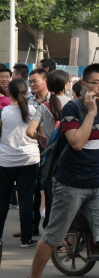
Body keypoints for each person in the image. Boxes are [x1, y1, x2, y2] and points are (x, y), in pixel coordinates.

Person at [29, 64, 99, 278]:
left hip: (96, 185)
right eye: (96, 83)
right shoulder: (73, 108)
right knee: (53, 236)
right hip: (70, 185)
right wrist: (91, 113)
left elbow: (95, 148)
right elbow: (76, 143)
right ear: (84, 85)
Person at [26, 70, 71, 227]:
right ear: (66, 85)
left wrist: (43, 139)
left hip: (51, 157)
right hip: (71, 156)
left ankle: (50, 229)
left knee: (51, 194)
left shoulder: (44, 106)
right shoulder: (73, 103)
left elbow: (29, 131)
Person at [0, 79, 39, 248]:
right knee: (26, 200)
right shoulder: (33, 110)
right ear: (26, 93)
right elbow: (38, 133)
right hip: (30, 159)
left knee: (2, 201)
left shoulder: (3, 112)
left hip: (6, 161)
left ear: (9, 93)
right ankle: (27, 238)